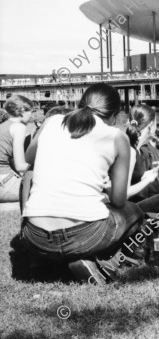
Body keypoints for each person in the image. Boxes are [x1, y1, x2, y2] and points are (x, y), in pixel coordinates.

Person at [20, 84, 144, 284]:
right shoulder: (117, 137)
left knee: (31, 179)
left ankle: (43, 262)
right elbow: (119, 201)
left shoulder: (52, 121)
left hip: (35, 236)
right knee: (134, 211)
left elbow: (29, 157)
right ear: (114, 115)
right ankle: (107, 264)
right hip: (86, 235)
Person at [0, 95, 34, 202]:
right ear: (23, 111)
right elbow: (20, 166)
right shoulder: (18, 127)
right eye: (31, 111)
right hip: (4, 181)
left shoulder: (3, 126)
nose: (31, 115)